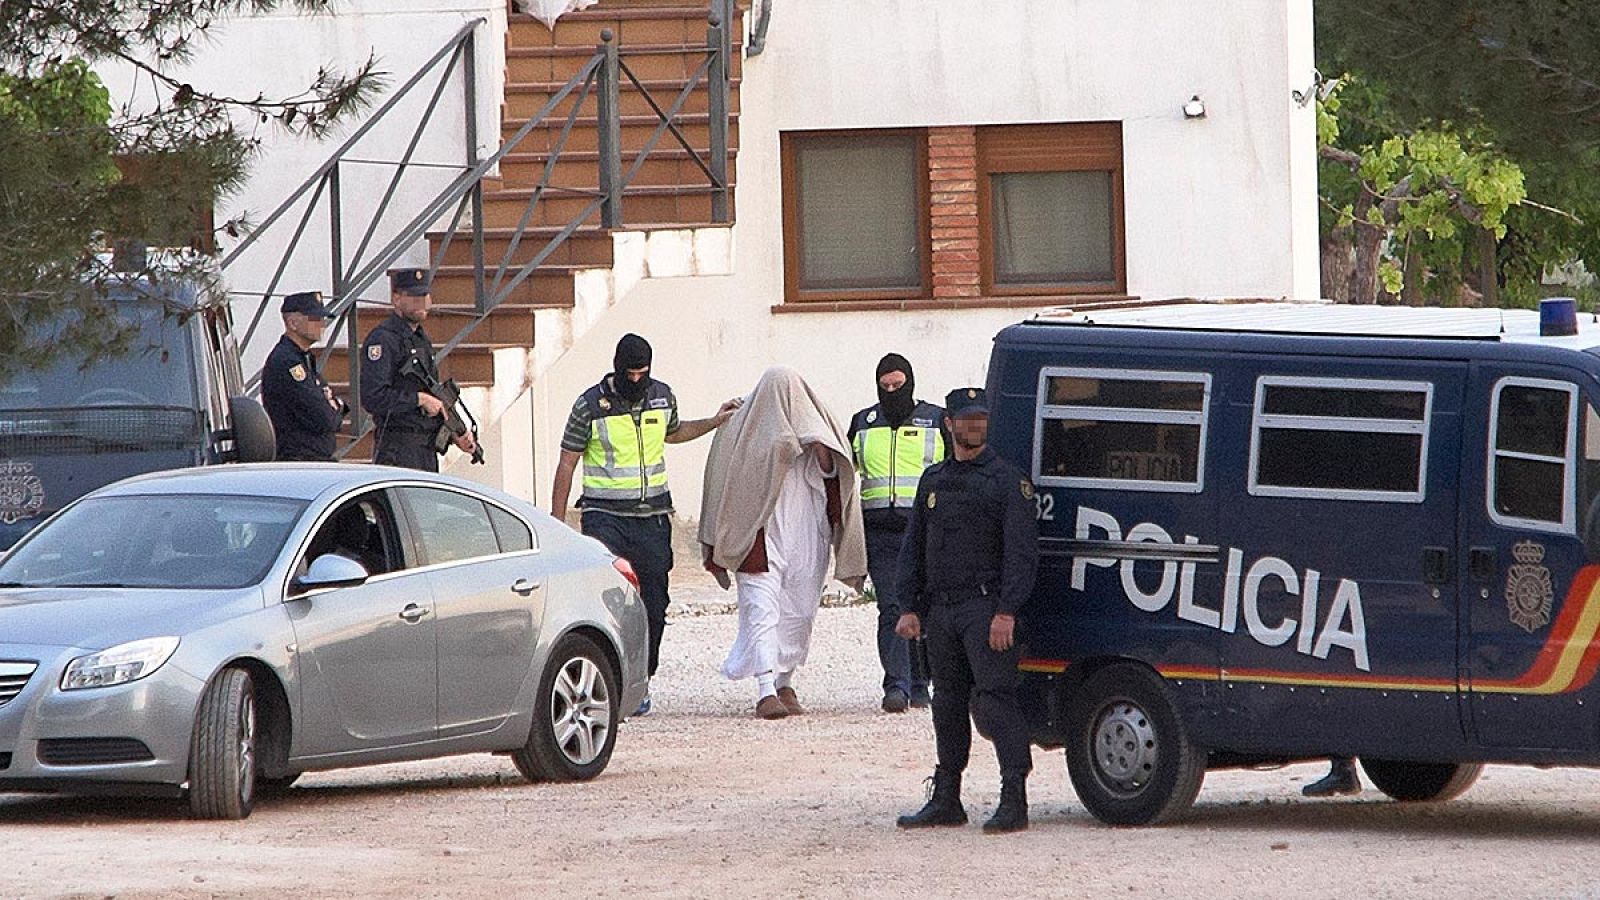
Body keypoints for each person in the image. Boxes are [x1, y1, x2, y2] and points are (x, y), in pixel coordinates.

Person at [550, 333, 740, 715]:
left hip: (652, 519)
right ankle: (611, 683)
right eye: (629, 373)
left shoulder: (662, 396)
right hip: (605, 518)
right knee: (611, 603)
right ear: (617, 367)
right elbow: (567, 462)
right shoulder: (590, 405)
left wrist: (715, 422)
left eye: (642, 373)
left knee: (655, 604)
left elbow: (675, 431)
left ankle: (642, 680)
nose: (636, 380)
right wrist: (556, 524)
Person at [894, 387, 1039, 834]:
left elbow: (1021, 553)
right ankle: (947, 797)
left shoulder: (1006, 481)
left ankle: (1014, 797)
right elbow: (914, 547)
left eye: (981, 419)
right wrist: (908, 605)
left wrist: (1007, 612)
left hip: (985, 608)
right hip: (942, 610)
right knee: (948, 705)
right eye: (967, 419)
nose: (975, 426)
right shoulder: (934, 480)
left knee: (996, 702)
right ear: (950, 424)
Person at [700, 366, 868, 719]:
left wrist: (817, 442)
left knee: (800, 610)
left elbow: (833, 474)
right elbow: (723, 479)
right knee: (761, 609)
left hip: (807, 532)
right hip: (759, 534)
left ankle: (785, 681)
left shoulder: (819, 425)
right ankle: (764, 690)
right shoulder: (743, 427)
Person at [848, 353, 947, 713]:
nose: (891, 392)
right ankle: (896, 686)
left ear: (911, 382)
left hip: (926, 530)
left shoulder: (936, 420)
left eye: (898, 386)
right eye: (885, 386)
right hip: (880, 533)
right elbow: (846, 471)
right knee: (891, 607)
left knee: (925, 608)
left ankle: (921, 683)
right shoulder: (862, 423)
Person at [360, 268, 476, 471]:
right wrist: (419, 399)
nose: (421, 302)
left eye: (424, 296)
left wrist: (454, 433)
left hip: (424, 449)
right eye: (413, 297)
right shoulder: (383, 339)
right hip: (398, 448)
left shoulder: (421, 339)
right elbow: (373, 397)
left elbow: (435, 398)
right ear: (396, 299)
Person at [261, 290, 346, 462]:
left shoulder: (303, 358)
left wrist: (336, 406)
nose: (321, 324)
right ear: (293, 323)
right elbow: (324, 418)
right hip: (299, 459)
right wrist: (334, 407)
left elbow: (334, 408)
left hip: (314, 458)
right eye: (314, 319)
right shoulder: (287, 362)